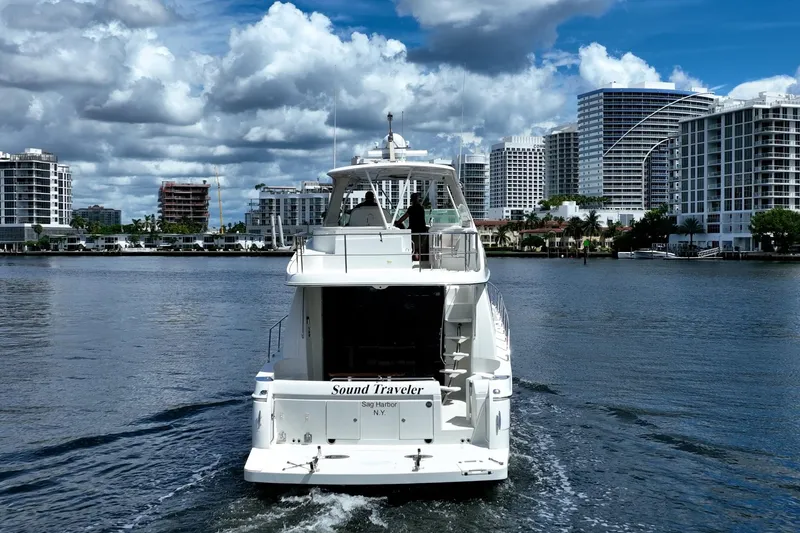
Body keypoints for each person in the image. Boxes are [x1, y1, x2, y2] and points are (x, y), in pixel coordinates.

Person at [396, 193, 429, 260]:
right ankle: (422, 261)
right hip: (423, 231)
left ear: (412, 200)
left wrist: (397, 222)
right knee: (420, 249)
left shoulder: (412, 209)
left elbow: (404, 218)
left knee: (414, 248)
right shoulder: (421, 208)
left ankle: (414, 260)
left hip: (414, 232)